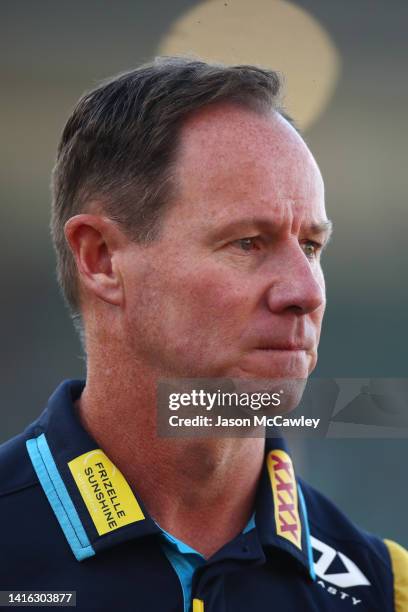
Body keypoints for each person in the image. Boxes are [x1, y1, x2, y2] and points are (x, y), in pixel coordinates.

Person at [0, 57, 406, 611]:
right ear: (100, 259)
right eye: (248, 242)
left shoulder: (385, 587)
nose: (304, 292)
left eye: (311, 247)